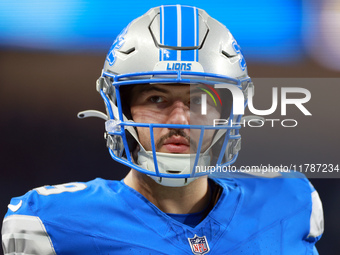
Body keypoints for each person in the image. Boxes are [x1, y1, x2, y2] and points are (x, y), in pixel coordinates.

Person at [2, 5, 323, 254]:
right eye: (156, 98)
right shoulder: (52, 222)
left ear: (228, 110)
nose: (179, 119)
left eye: (199, 101)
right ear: (121, 106)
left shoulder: (290, 201)